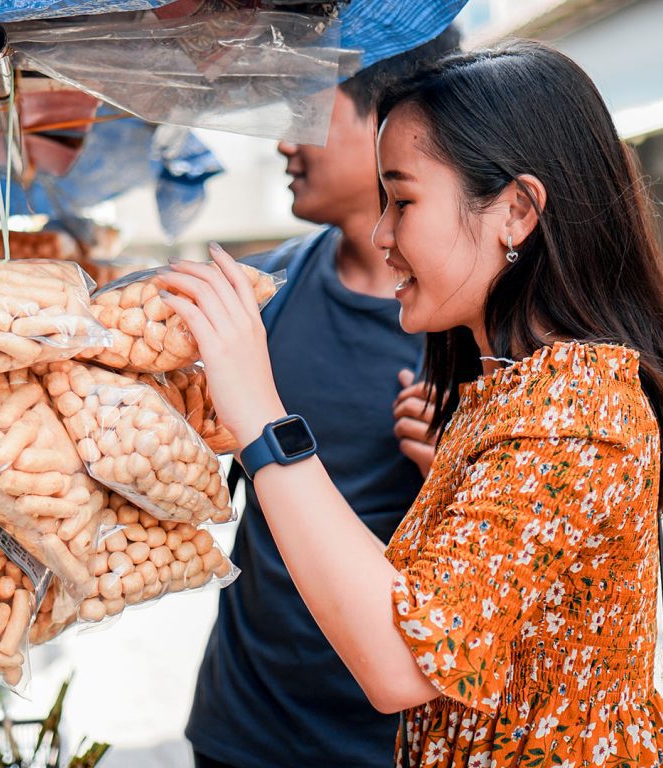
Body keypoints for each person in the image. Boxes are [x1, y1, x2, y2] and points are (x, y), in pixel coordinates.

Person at [163, 40, 663, 767]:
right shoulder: (508, 388)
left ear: (515, 210)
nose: (383, 234)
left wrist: (261, 415)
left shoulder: (574, 412)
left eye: (404, 200)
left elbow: (401, 661)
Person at [184, 28, 459, 768]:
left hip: (397, 740)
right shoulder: (258, 299)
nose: (283, 143)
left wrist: (460, 471)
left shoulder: (482, 336)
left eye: (306, 111)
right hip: (244, 728)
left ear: (395, 123)